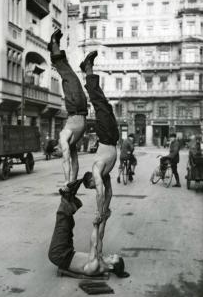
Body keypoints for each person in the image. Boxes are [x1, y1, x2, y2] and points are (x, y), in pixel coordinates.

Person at [69, 50, 119, 263]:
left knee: (99, 102)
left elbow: (100, 191)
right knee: (103, 103)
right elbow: (107, 193)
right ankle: (87, 70)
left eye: (90, 185)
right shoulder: (103, 174)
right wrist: (103, 215)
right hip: (110, 136)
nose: (93, 186)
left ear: (90, 178)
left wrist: (99, 211)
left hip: (107, 136)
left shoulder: (98, 167)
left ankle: (87, 69)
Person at [48, 189, 129, 278]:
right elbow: (99, 238)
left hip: (58, 254)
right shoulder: (101, 261)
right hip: (68, 251)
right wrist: (104, 219)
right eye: (113, 255)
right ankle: (70, 198)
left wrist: (95, 226)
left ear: (110, 266)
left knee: (62, 223)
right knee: (70, 223)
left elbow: (93, 244)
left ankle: (66, 197)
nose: (110, 255)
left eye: (112, 258)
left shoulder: (95, 266)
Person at [48, 29, 88, 185]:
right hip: (80, 107)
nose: (60, 154)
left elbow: (66, 161)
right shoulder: (70, 145)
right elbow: (75, 163)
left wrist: (65, 181)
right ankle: (55, 48)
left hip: (75, 106)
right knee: (70, 74)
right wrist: (72, 182)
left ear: (56, 147)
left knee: (68, 76)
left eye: (56, 153)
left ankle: (54, 45)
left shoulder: (63, 138)